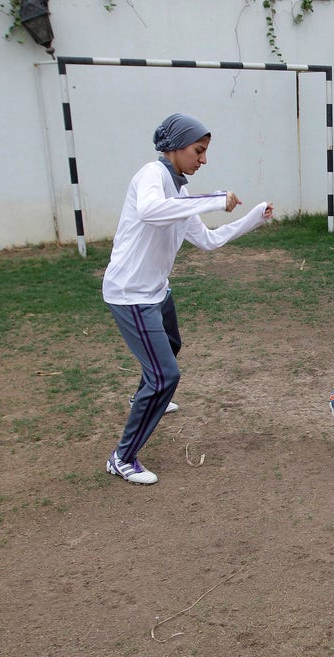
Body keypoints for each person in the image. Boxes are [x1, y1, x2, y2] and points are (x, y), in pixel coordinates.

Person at [102, 113, 274, 485]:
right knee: (165, 376)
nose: (204, 160)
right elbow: (149, 211)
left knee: (171, 344)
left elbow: (209, 241)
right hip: (131, 294)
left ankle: (141, 399)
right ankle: (122, 457)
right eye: (199, 151)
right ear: (175, 147)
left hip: (156, 291)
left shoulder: (179, 193)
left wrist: (254, 218)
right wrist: (212, 199)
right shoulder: (152, 174)